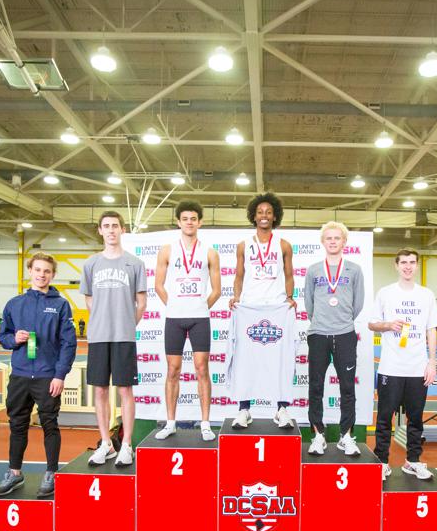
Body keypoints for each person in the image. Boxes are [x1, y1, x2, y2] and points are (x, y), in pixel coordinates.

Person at [0, 253, 77, 497]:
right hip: (20, 375)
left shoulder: (61, 305)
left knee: (49, 424)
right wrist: (13, 339)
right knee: (17, 425)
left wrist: (60, 375)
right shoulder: (14, 303)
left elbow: (68, 343)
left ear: (52, 275)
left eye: (47, 271)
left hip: (47, 376)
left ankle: (51, 472)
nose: (42, 274)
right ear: (30, 271)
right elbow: (3, 336)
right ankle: (14, 473)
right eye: (38, 270)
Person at [82, 211, 147, 466]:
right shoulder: (90, 264)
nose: (111, 230)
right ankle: (106, 444)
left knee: (125, 390)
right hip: (98, 337)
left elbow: (141, 303)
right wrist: (102, 318)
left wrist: (126, 324)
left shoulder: (135, 263)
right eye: (106, 226)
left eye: (115, 226)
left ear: (122, 230)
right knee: (99, 389)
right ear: (100, 230)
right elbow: (88, 299)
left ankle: (127, 444)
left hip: (123, 336)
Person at [153, 201, 222, 442]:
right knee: (173, 370)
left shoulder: (210, 252)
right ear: (178, 221)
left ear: (200, 222)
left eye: (194, 218)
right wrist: (173, 305)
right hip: (174, 318)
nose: (190, 222)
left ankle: (205, 422)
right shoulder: (167, 250)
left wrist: (201, 306)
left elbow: (216, 290)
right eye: (185, 218)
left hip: (199, 318)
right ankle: (171, 422)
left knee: (202, 369)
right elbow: (158, 285)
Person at [228, 193, 297, 429]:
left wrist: (289, 298)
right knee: (247, 360)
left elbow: (289, 276)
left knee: (280, 359)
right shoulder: (243, 245)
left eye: (268, 212)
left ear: (274, 216)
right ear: (254, 216)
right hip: (250, 307)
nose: (264, 216)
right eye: (260, 212)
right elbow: (239, 276)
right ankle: (244, 409)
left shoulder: (284, 245)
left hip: (276, 307)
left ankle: (282, 409)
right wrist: (237, 298)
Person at [368, 249, 437, 480]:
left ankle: (413, 460)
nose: (408, 266)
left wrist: (432, 362)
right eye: (404, 262)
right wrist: (388, 325)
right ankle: (381, 461)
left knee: (416, 418)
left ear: (417, 266)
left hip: (418, 368)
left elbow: (431, 330)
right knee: (384, 417)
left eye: (412, 262)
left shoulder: (427, 295)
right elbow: (372, 324)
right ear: (396, 266)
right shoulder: (385, 293)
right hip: (391, 368)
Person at [304, 221, 364, 456]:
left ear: (344, 242)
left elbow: (357, 304)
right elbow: (309, 304)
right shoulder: (313, 270)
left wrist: (342, 321)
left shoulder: (354, 269)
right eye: (328, 238)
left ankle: (346, 436)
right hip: (318, 334)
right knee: (316, 386)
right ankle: (317, 434)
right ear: (323, 241)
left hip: (345, 334)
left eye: (336, 238)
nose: (332, 241)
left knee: (347, 387)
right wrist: (321, 321)